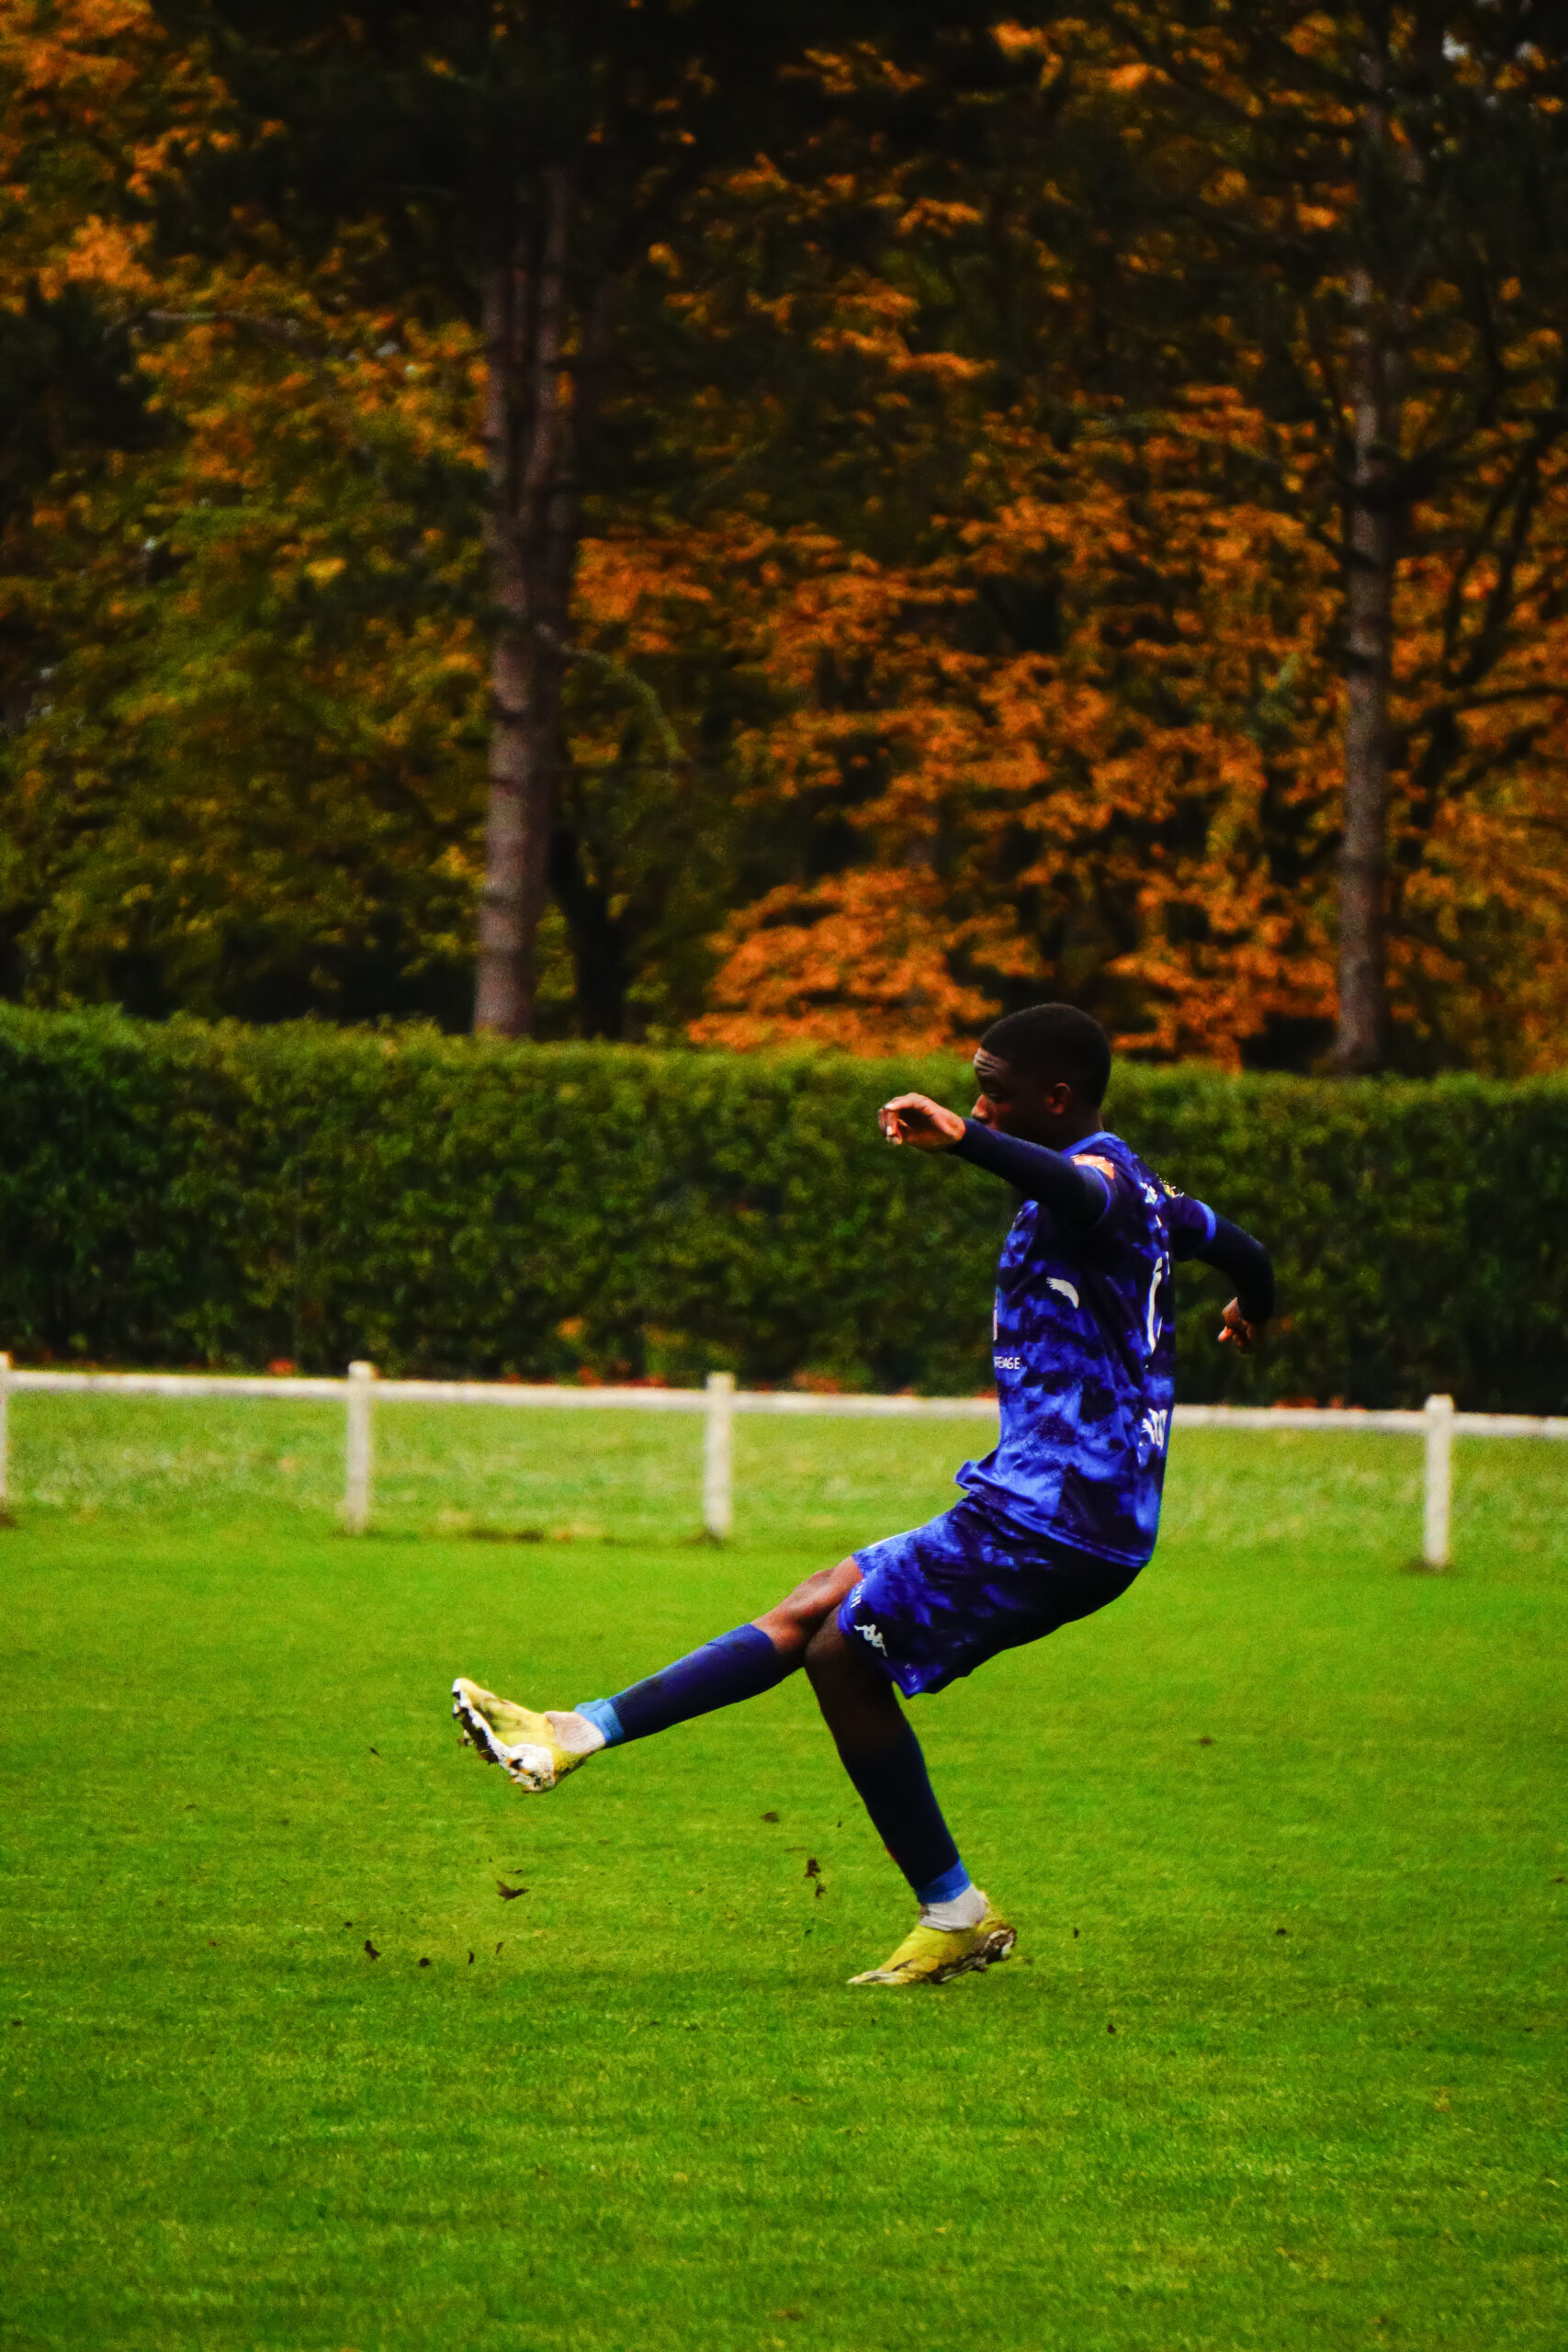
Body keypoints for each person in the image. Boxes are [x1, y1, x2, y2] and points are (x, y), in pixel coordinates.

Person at [451, 1003, 1274, 1989]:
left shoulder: (1096, 1184)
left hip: (1056, 1518)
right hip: (1052, 1509)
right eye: (974, 1093)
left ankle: (952, 1911)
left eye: (995, 1094)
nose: (980, 1104)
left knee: (842, 1654)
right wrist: (1253, 1303)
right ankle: (574, 1731)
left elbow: (1070, 1186)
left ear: (1057, 1099)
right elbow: (1243, 1248)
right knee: (817, 1604)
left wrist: (964, 1138)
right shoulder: (1154, 1195)